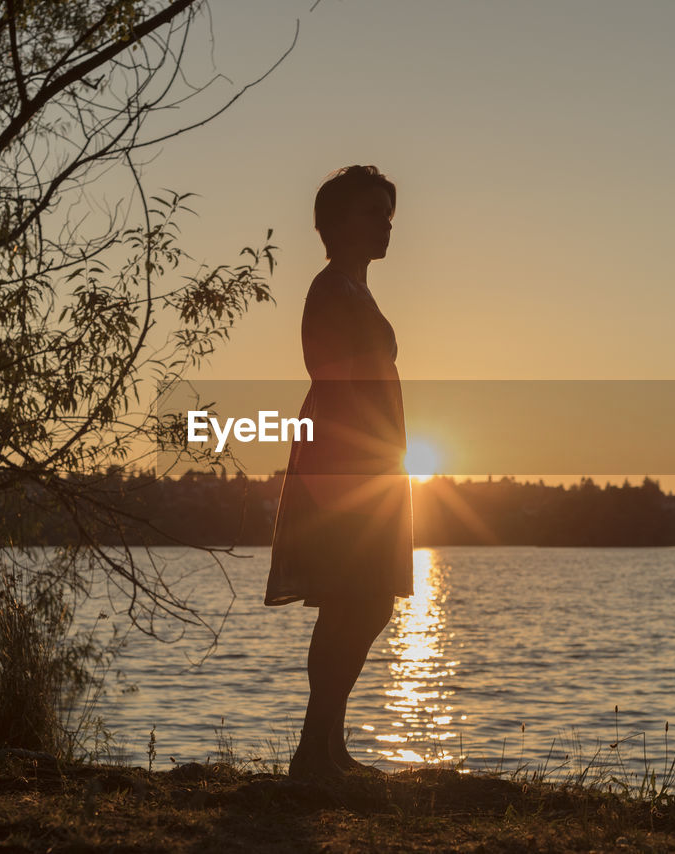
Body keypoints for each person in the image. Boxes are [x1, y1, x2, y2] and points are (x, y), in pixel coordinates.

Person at [266, 165, 414, 779]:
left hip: (368, 459)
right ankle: (313, 754)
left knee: (364, 600)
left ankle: (326, 749)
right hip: (345, 459)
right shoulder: (331, 290)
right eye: (372, 212)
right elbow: (336, 379)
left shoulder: (355, 288)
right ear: (337, 222)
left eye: (388, 214)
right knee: (358, 598)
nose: (385, 224)